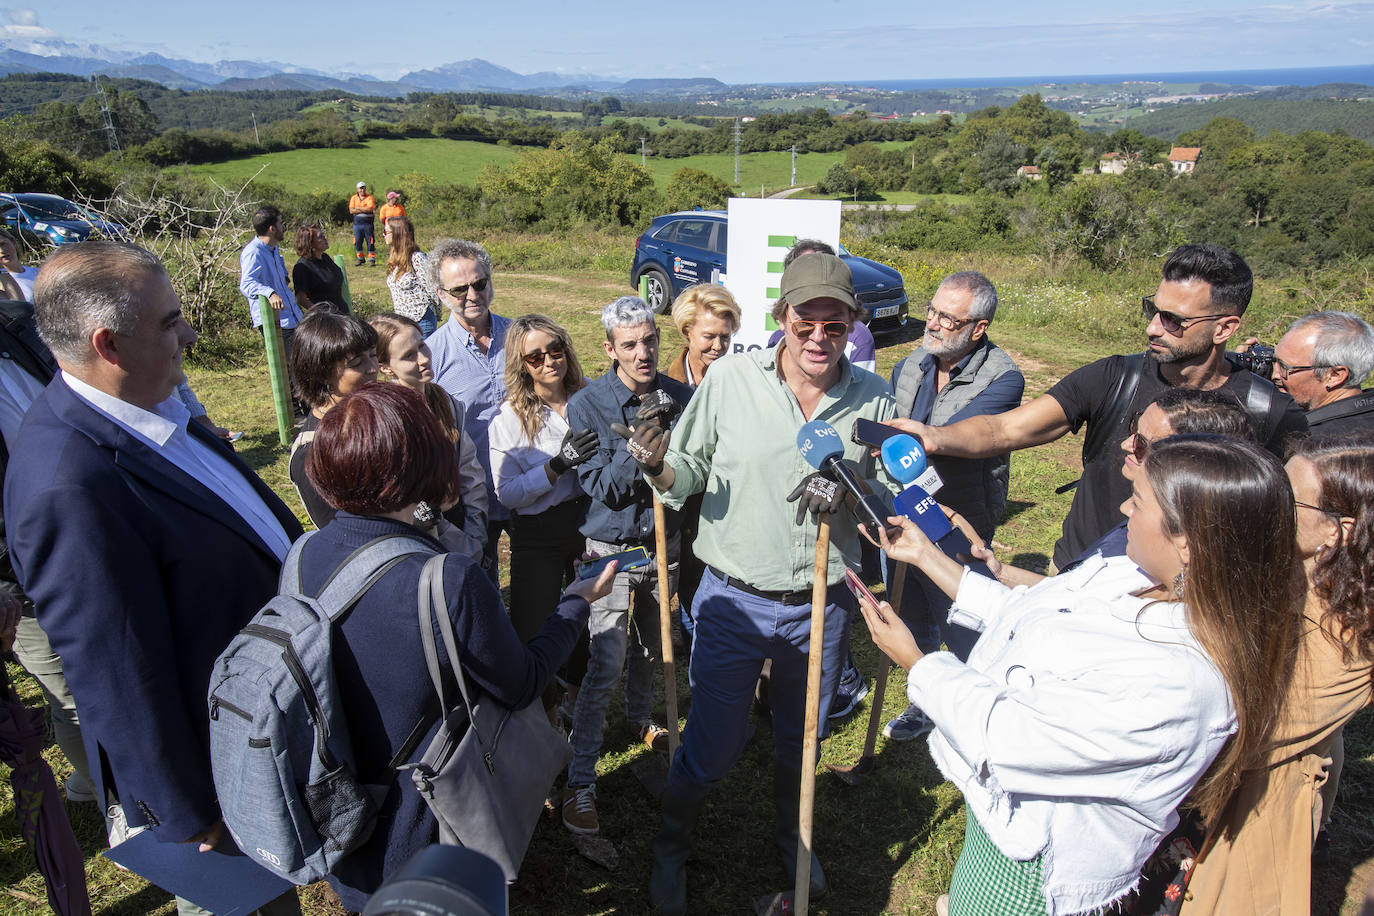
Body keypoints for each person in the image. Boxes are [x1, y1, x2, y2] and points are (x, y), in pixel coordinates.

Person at [856, 434, 1304, 916]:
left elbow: (1013, 736)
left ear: (1188, 543)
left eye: (1140, 501)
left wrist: (917, 662)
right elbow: (1030, 612)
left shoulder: (1182, 680)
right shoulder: (1136, 576)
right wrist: (927, 556)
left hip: (1038, 866)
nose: (1125, 508)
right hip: (1002, 828)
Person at [5, 241, 303, 916]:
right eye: (171, 321)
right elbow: (116, 673)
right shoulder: (69, 486)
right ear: (108, 345)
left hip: (261, 730)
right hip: (218, 784)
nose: (190, 333)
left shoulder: (150, 405)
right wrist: (189, 810)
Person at [637, 252, 898, 912]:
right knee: (715, 740)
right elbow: (688, 471)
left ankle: (794, 834)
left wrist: (853, 492)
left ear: (853, 326)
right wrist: (661, 468)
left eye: (833, 325)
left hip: (823, 602)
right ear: (782, 318)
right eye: (804, 321)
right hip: (732, 597)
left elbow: (890, 498)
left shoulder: (875, 399)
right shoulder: (729, 381)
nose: (818, 336)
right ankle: (672, 843)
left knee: (801, 735)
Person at [296, 382, 616, 910]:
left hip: (337, 814)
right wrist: (577, 602)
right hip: (427, 829)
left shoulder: (304, 553)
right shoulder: (445, 578)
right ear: (419, 467)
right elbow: (522, 684)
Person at [890, 244, 1308, 568]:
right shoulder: (1113, 378)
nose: (1152, 328)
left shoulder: (1267, 412)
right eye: (1153, 310)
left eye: (1174, 320)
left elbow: (1289, 519)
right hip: (1079, 566)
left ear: (1225, 328)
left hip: (1185, 595)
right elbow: (1007, 430)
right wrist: (932, 435)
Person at [1182, 435, 1374, 915]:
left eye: (1288, 497)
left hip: (1249, 814)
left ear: (1338, 531)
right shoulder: (1286, 567)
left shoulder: (1352, 640)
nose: (1269, 501)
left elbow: (1255, 728)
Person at [560, 296, 693, 837]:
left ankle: (642, 720)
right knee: (606, 659)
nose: (644, 353)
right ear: (610, 349)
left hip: (663, 548)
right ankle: (581, 781)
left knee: (653, 648)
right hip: (609, 551)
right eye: (631, 345)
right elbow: (606, 490)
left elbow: (692, 474)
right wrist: (638, 448)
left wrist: (667, 450)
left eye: (651, 341)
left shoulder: (679, 396)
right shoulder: (588, 405)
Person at [882, 270, 1024, 741]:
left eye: (948, 317)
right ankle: (927, 702)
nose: (934, 323)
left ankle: (978, 715)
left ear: (977, 328)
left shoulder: (1004, 378)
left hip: (959, 520)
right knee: (913, 615)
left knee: (963, 622)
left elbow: (956, 438)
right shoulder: (909, 366)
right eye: (933, 311)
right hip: (904, 514)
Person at [0, 291, 95, 803]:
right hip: (19, 573)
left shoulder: (19, 327)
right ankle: (115, 798)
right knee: (69, 689)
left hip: (88, 532)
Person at [487, 315, 595, 702]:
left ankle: (577, 695)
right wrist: (555, 467)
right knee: (534, 622)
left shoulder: (590, 397)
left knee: (588, 614)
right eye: (535, 357)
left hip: (587, 520)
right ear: (522, 365)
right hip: (538, 531)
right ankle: (542, 705)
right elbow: (507, 493)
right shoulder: (510, 419)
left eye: (555, 349)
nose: (549, 361)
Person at [370, 312, 487, 561]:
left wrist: (476, 533)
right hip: (418, 544)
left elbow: (469, 472)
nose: (423, 358)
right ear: (385, 367)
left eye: (422, 346)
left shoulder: (446, 403)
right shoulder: (384, 421)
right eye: (408, 356)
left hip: (463, 532)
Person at [427, 238, 510, 578]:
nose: (472, 295)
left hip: (532, 488)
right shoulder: (431, 356)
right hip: (475, 501)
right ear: (441, 295)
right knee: (481, 587)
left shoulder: (521, 336)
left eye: (479, 284)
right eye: (459, 289)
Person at [664, 283, 740, 652]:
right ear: (687, 332)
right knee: (685, 580)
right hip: (681, 505)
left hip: (725, 504)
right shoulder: (666, 386)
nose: (718, 346)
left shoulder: (741, 382)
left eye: (725, 337)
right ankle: (688, 632)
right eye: (709, 336)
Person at [288, 311, 379, 528]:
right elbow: (339, 531)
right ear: (321, 372)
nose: (373, 368)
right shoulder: (311, 454)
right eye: (357, 363)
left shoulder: (373, 411)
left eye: (373, 354)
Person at [1272, 311, 1374, 433]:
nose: (1274, 375)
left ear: (1334, 375)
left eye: (1284, 367)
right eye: (1273, 360)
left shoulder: (1316, 443)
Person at [239, 205, 305, 383]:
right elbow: (246, 284)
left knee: (302, 366)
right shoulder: (253, 252)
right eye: (281, 223)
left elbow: (280, 278)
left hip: (291, 318)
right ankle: (296, 411)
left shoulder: (274, 250)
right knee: (292, 370)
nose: (284, 227)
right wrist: (269, 293)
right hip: (276, 322)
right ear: (271, 228)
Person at [383, 216, 440, 337]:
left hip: (422, 320)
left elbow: (433, 288)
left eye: (386, 232)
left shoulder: (417, 258)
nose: (383, 235)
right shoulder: (394, 260)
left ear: (397, 233)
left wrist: (437, 313)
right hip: (403, 324)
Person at [290, 223, 347, 314]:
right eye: (320, 237)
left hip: (342, 313)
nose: (325, 239)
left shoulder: (325, 258)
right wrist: (321, 314)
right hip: (326, 319)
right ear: (310, 244)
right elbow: (301, 299)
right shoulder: (302, 267)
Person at [0, 228, 39, 300]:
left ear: (13, 243)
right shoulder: (3, 283)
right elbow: (17, 305)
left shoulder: (38, 272)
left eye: (3, 244)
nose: (2, 250)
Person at [348, 181, 377, 267]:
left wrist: (358, 208)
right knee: (357, 241)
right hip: (357, 224)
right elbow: (351, 210)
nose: (362, 190)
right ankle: (360, 259)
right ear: (357, 189)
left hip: (368, 224)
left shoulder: (369, 198)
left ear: (365, 188)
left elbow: (370, 209)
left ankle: (371, 260)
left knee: (370, 241)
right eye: (360, 188)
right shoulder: (353, 198)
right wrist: (363, 208)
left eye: (363, 187)